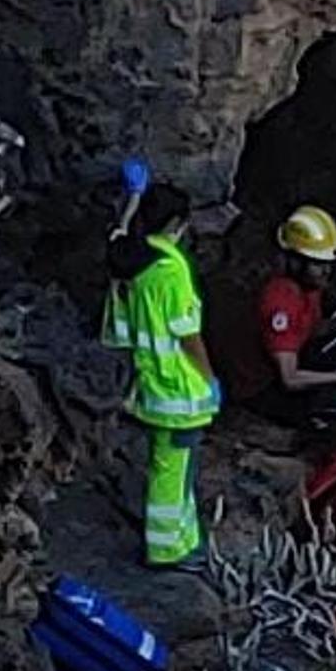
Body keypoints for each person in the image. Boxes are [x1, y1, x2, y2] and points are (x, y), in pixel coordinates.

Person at [103, 184, 219, 571]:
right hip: (181, 391)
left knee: (169, 468)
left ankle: (184, 543)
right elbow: (188, 335)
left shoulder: (128, 261)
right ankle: (168, 550)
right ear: (176, 224)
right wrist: (209, 377)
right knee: (172, 475)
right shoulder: (170, 270)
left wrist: (131, 199)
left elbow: (118, 235)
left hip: (149, 386)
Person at [259, 205, 336, 413]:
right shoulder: (281, 302)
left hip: (306, 361)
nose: (327, 271)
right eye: (318, 264)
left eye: (329, 263)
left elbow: (313, 330)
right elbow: (289, 378)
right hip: (275, 392)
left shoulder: (309, 289)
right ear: (296, 262)